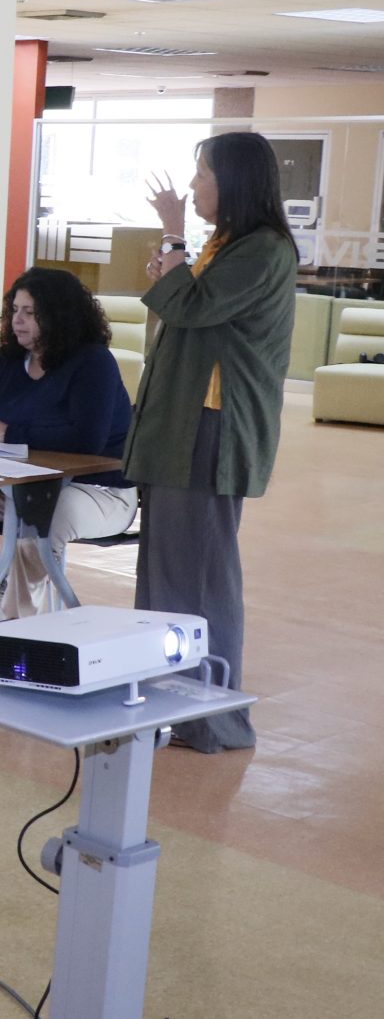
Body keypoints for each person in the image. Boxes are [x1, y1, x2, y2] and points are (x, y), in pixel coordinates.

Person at [126, 131, 298, 754]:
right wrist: (174, 259)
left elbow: (194, 310)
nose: (193, 187)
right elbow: (182, 311)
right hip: (180, 428)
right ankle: (173, 707)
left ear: (235, 182)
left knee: (199, 578)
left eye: (202, 175)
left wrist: (172, 235)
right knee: (166, 575)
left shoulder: (264, 250)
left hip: (212, 432)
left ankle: (215, 720)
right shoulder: (226, 246)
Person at [0, 268, 135, 624]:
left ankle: (19, 629)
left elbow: (86, 439)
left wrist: (11, 432)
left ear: (58, 315)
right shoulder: (6, 361)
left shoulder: (93, 362)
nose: (17, 320)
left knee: (40, 518)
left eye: (29, 313)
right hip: (20, 486)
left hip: (98, 490)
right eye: (14, 310)